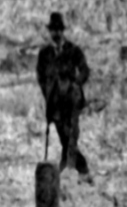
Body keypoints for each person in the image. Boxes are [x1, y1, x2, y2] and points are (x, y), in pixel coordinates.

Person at [36, 11, 93, 182]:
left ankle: (80, 168)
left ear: (63, 31)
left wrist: (75, 83)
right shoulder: (45, 53)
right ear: (50, 32)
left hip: (71, 100)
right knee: (64, 135)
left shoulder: (73, 50)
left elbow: (85, 70)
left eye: (59, 30)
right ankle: (70, 166)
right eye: (53, 30)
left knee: (70, 135)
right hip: (55, 102)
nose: (56, 33)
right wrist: (47, 92)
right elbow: (40, 76)